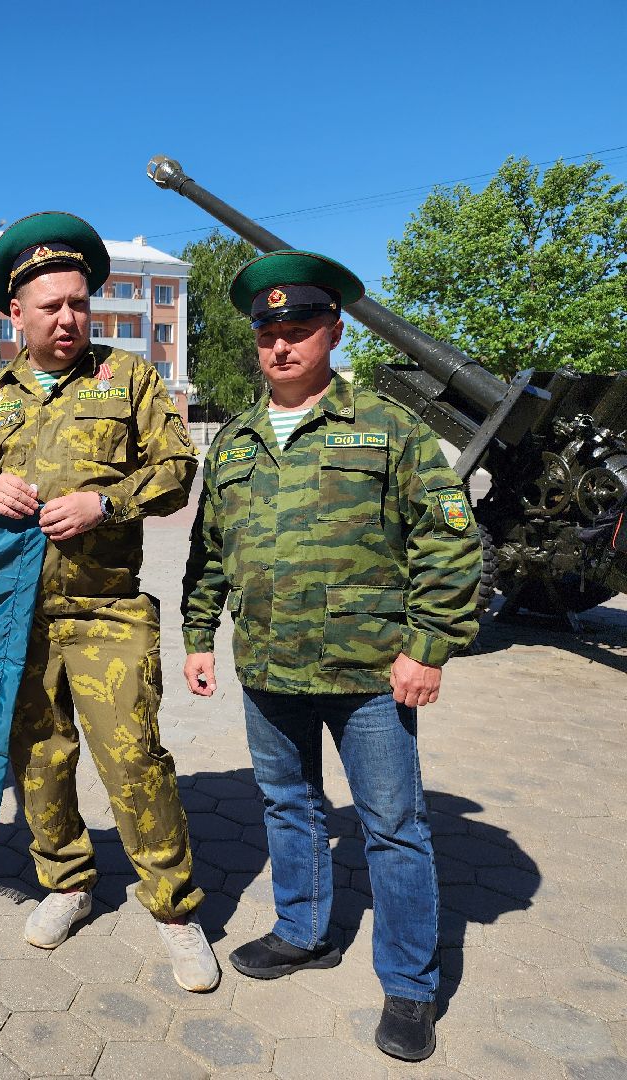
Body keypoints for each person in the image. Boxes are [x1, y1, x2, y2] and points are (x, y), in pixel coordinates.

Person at [180, 250, 481, 1061]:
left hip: (369, 672)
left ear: (333, 331)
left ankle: (411, 985)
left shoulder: (386, 426)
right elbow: (209, 550)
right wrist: (199, 636)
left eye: (299, 329)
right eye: (268, 332)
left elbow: (450, 543)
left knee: (393, 826)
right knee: (288, 804)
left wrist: (428, 648)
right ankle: (302, 930)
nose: (281, 345)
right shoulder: (236, 440)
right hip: (268, 667)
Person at [0, 212, 219, 993]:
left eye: (79, 304)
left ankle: (175, 908)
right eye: (51, 306)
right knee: (38, 761)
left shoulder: (127, 378)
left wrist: (109, 506)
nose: (68, 318)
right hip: (18, 616)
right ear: (14, 315)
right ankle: (65, 882)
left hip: (106, 611)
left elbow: (176, 470)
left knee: (135, 762)